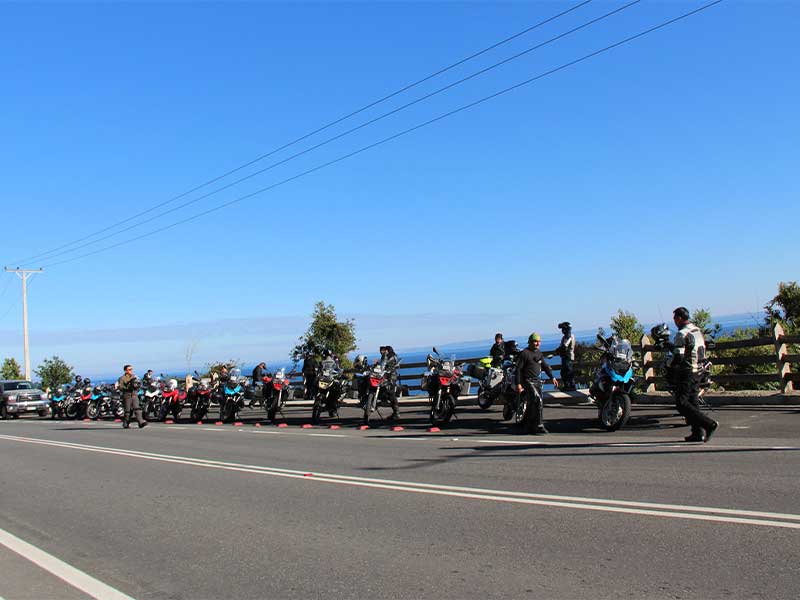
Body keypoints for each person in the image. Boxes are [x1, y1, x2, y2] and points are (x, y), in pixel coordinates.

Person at [666, 307, 718, 443]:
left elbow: (678, 356)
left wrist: (669, 364)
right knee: (693, 401)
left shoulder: (682, 334)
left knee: (681, 402)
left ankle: (708, 424)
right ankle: (697, 432)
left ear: (679, 318)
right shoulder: (696, 330)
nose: (674, 321)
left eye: (674, 318)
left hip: (687, 370)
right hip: (699, 370)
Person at [515, 333, 559, 434]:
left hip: (537, 381)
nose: (537, 343)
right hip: (528, 381)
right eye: (535, 341)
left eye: (539, 341)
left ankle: (526, 424)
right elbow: (518, 369)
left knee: (533, 403)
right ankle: (539, 425)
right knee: (537, 401)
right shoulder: (524, 353)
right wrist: (518, 383)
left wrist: (552, 377)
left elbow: (545, 365)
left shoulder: (538, 353)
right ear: (530, 342)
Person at [118, 364, 147, 429]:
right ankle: (126, 423)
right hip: (127, 395)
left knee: (137, 409)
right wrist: (128, 386)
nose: (131, 371)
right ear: (125, 370)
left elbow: (139, 384)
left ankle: (141, 422)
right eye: (129, 369)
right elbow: (120, 387)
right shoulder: (122, 378)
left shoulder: (134, 376)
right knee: (128, 411)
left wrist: (137, 386)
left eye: (131, 369)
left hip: (134, 394)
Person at [555, 322, 577, 391]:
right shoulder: (569, 335)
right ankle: (569, 386)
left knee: (567, 372)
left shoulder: (568, 336)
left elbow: (564, 346)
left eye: (563, 328)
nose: (562, 330)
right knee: (566, 372)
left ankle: (570, 386)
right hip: (567, 356)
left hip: (568, 356)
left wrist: (558, 350)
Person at [380, 345, 400, 421]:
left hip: (391, 377)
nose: (382, 352)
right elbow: (382, 365)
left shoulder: (392, 356)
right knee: (389, 393)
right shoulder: (385, 356)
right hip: (387, 376)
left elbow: (392, 365)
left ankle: (396, 413)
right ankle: (395, 412)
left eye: (383, 350)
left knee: (391, 394)